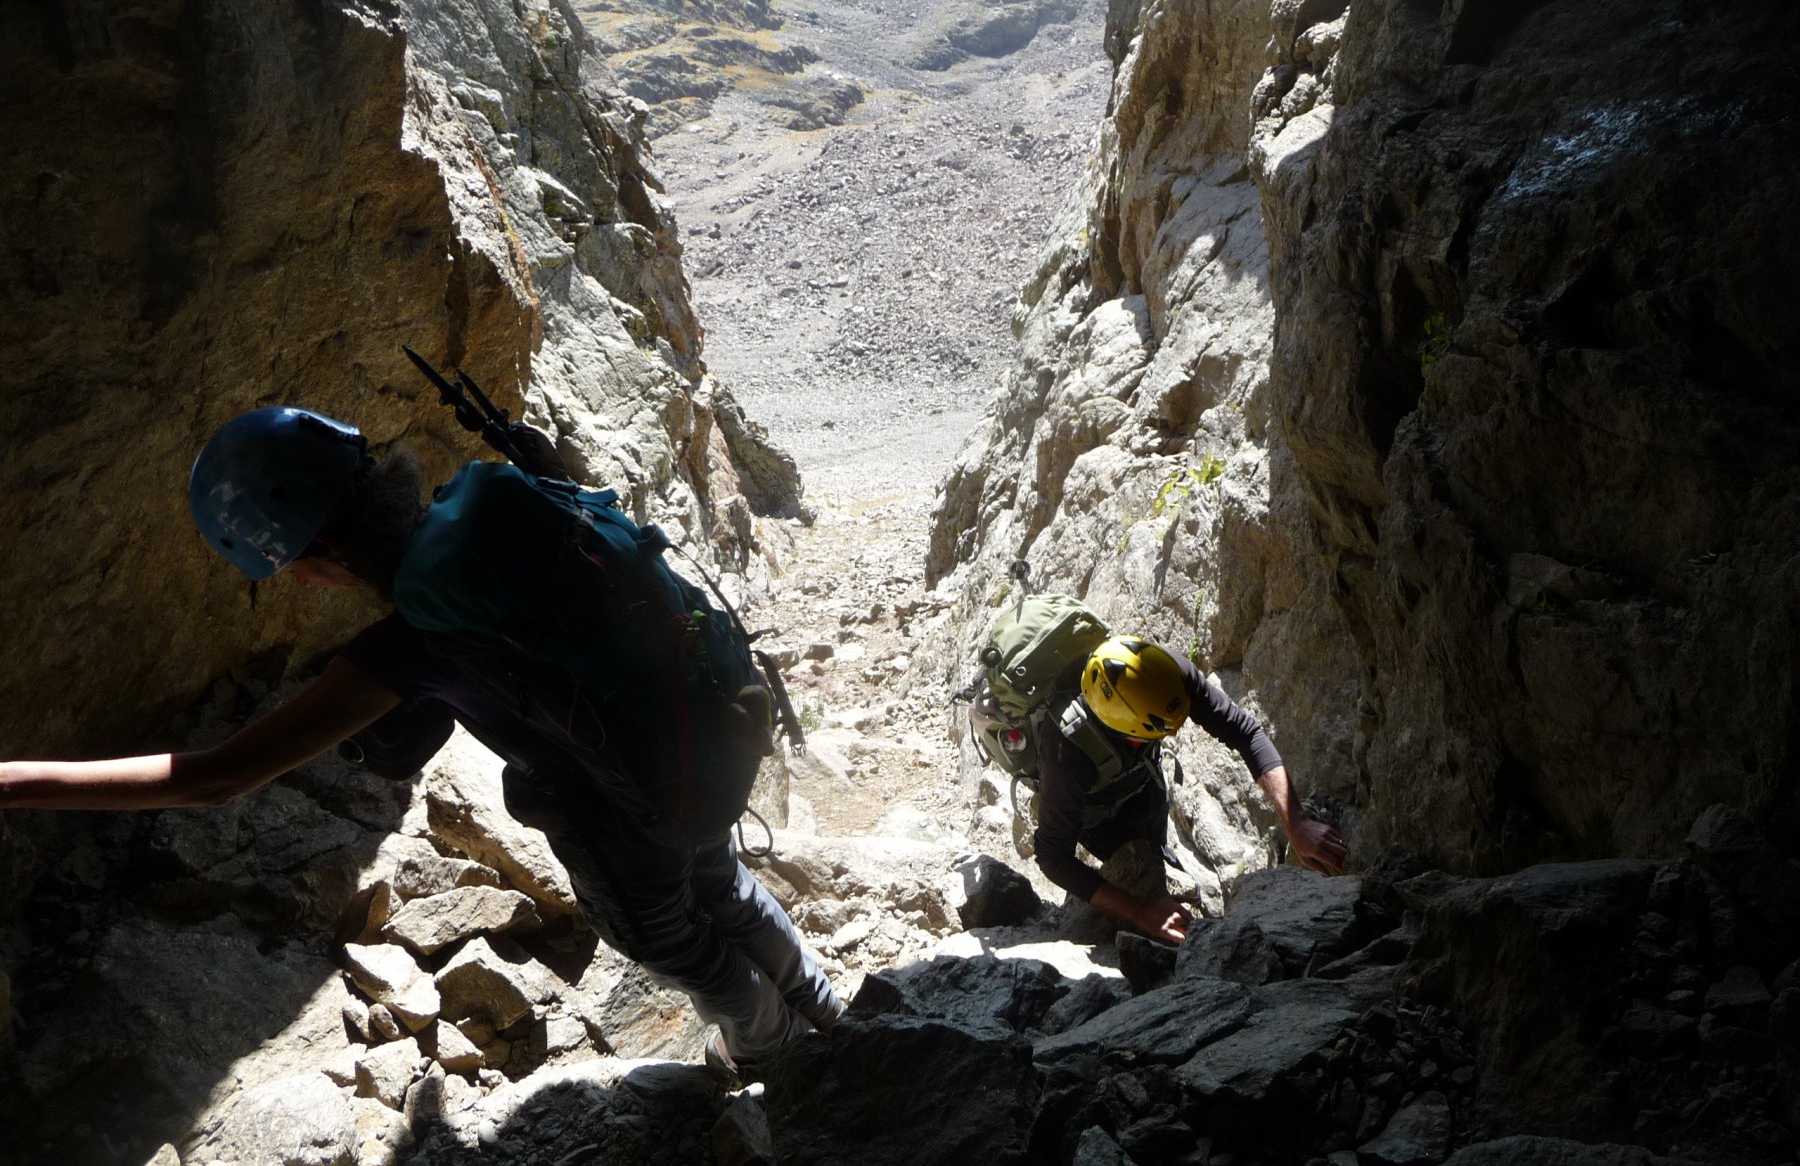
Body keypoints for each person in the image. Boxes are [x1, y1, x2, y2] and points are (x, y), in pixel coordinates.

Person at [0, 406, 842, 1083]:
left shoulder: (415, 639)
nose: (299, 579)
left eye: (292, 563)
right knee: (719, 886)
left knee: (671, 938)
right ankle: (828, 1009)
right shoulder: (500, 507)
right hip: (703, 742)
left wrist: (14, 781)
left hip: (622, 814)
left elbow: (217, 779)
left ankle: (772, 1052)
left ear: (320, 550)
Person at [1032, 635, 1345, 944]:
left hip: (1142, 780)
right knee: (1137, 880)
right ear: (1120, 725)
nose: (1175, 732)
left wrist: (1296, 820)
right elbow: (1052, 856)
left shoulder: (1165, 674)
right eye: (1157, 732)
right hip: (1095, 810)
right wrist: (1142, 911)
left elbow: (1244, 731)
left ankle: (1163, 865)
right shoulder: (1067, 751)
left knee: (1154, 844)